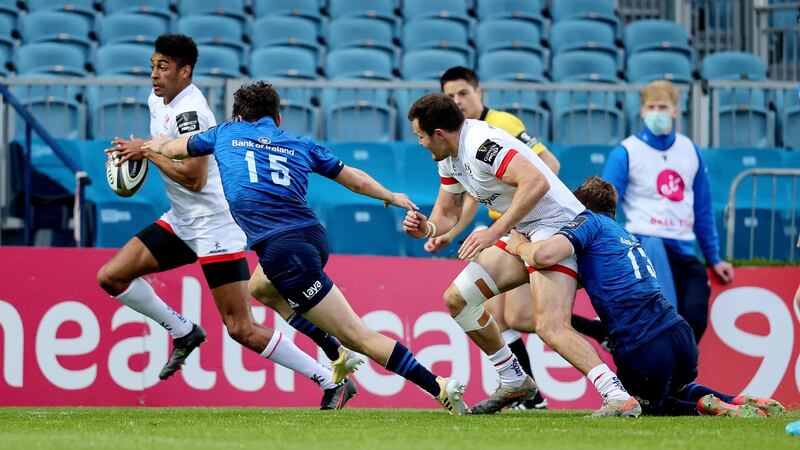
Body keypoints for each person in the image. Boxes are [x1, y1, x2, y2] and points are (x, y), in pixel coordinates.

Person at [142, 81, 470, 415]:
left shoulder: (224, 133)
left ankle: (439, 387)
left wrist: (152, 147)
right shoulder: (300, 144)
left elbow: (175, 149)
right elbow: (351, 176)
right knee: (260, 288)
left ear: (239, 116)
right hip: (310, 237)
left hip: (285, 253)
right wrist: (389, 195)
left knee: (358, 335)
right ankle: (335, 352)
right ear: (278, 119)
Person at [97, 35, 360, 410]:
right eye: (153, 65)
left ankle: (331, 381)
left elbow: (194, 179)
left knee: (241, 328)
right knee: (112, 276)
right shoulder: (156, 99)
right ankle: (185, 332)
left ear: (185, 71)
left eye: (163, 67)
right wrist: (144, 149)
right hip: (182, 220)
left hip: (216, 226)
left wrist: (149, 154)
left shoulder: (193, 112)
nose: (154, 75)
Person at [403, 93, 640, 417]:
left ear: (439, 134)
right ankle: (514, 379)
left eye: (420, 135)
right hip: (524, 231)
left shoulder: (481, 145)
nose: (419, 143)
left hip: (559, 229)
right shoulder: (448, 158)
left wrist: (494, 232)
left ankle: (617, 396)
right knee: (457, 299)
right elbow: (447, 211)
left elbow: (536, 182)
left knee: (550, 325)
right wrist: (428, 229)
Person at [505, 176, 784, 417]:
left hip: (644, 345)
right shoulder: (623, 234)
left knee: (644, 407)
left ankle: (705, 409)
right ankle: (734, 399)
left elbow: (544, 255)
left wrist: (519, 246)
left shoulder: (589, 222)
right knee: (676, 386)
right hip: (679, 335)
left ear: (580, 208)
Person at [426, 67, 558, 409]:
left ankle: (611, 386)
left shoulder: (498, 128)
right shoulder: (453, 152)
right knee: (489, 313)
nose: (458, 101)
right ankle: (523, 389)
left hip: (538, 226)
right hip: (504, 231)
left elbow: (546, 170)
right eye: (450, 96)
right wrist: (436, 231)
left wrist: (503, 225)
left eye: (463, 93)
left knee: (535, 322)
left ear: (478, 91)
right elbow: (464, 201)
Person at [602, 80, 734, 343]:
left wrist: (714, 257)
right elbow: (606, 207)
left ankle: (677, 378)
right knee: (661, 323)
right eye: (651, 107)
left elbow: (703, 208)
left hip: (684, 248)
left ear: (675, 110)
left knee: (695, 317)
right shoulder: (626, 152)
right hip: (644, 247)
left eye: (662, 107)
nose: (656, 113)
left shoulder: (690, 150)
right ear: (641, 111)